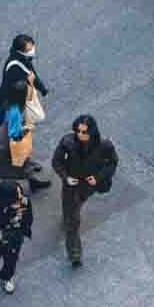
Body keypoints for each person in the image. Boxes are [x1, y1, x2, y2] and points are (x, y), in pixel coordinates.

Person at [48, 114, 116, 267]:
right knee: (73, 220)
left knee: (75, 206)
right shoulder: (68, 142)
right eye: (78, 131)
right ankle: (75, 253)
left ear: (92, 132)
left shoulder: (104, 146)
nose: (80, 135)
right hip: (72, 185)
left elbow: (112, 163)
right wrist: (66, 178)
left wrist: (97, 178)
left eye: (84, 132)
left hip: (88, 186)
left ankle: (68, 215)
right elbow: (56, 161)